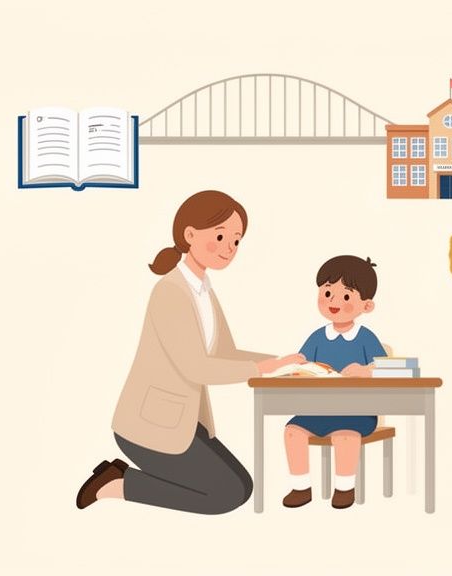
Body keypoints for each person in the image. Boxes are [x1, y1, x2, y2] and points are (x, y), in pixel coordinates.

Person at [75, 190, 303, 515]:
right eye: (221, 236)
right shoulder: (170, 291)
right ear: (190, 234)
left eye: (236, 241)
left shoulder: (203, 290)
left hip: (182, 422)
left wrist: (280, 364)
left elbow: (225, 351)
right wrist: (261, 369)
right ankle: (116, 485)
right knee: (226, 495)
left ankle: (121, 478)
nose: (229, 248)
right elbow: (196, 367)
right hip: (148, 427)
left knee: (241, 486)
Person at [282, 255, 387, 510]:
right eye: (327, 293)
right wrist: (298, 365)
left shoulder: (365, 338)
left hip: (357, 413)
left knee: (345, 437)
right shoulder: (318, 337)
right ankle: (301, 486)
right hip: (318, 409)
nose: (334, 302)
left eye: (347, 296)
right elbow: (303, 363)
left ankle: (344, 488)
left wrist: (365, 371)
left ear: (367, 305)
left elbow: (385, 368)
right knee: (292, 431)